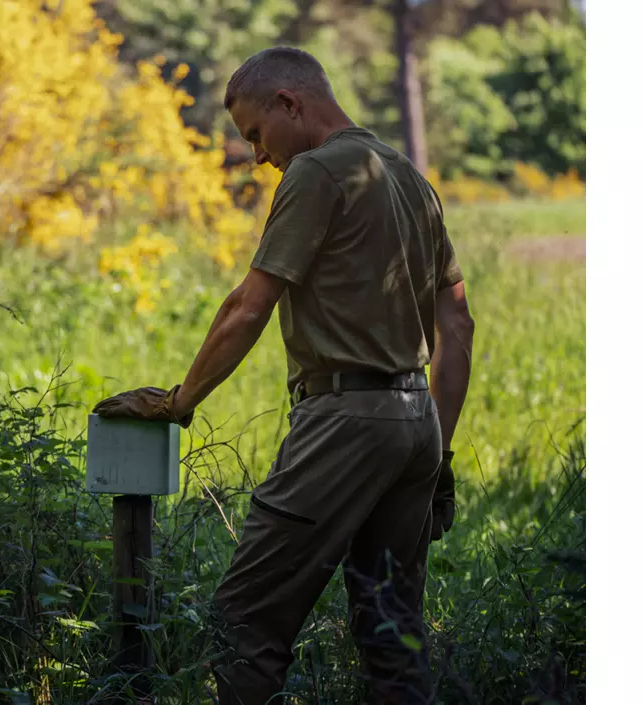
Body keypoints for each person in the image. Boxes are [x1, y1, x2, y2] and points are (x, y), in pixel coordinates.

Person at [93, 46, 475, 705]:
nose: (258, 155)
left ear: (289, 104)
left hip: (344, 422)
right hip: (416, 422)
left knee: (243, 619)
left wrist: (181, 400)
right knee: (392, 634)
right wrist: (437, 451)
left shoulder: (316, 173)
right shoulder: (410, 177)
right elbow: (458, 325)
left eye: (255, 134)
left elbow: (248, 305)